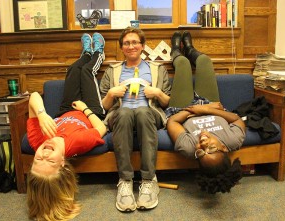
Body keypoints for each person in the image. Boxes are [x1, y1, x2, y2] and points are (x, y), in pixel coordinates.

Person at [26, 32, 107, 221]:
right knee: (87, 71)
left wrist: (42, 114)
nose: (44, 155)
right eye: (51, 162)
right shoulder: (76, 143)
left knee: (72, 69)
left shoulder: (37, 141)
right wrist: (86, 109)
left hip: (64, 111)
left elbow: (34, 97)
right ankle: (98, 53)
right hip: (91, 109)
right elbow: (102, 129)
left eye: (38, 161)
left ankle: (86, 53)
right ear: (63, 163)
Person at [99, 27, 171, 212]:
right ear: (122, 47)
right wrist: (111, 94)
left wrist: (157, 92)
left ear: (142, 46)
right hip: (120, 113)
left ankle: (148, 180)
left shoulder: (156, 69)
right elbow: (105, 107)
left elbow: (166, 103)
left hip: (149, 113)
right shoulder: (113, 71)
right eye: (126, 43)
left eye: (135, 42)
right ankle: (125, 181)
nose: (131, 46)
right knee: (124, 113)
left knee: (141, 111)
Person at [166, 31, 246, 194]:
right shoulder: (233, 140)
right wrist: (206, 108)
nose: (203, 145)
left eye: (201, 152)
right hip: (209, 105)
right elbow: (237, 120)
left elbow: (172, 122)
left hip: (183, 108)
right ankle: (189, 49)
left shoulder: (188, 148)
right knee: (204, 61)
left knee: (183, 64)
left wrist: (196, 111)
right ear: (223, 148)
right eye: (211, 148)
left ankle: (175, 50)